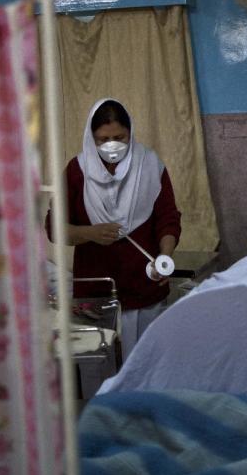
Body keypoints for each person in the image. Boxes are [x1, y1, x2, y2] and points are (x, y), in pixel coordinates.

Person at [47, 98, 181, 358]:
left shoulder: (149, 165)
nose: (112, 145)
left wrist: (165, 256)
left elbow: (168, 218)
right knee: (99, 363)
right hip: (96, 287)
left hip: (144, 284)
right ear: (90, 137)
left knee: (146, 362)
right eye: (102, 139)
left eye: (120, 137)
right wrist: (89, 233)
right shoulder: (77, 172)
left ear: (131, 132)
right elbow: (54, 228)